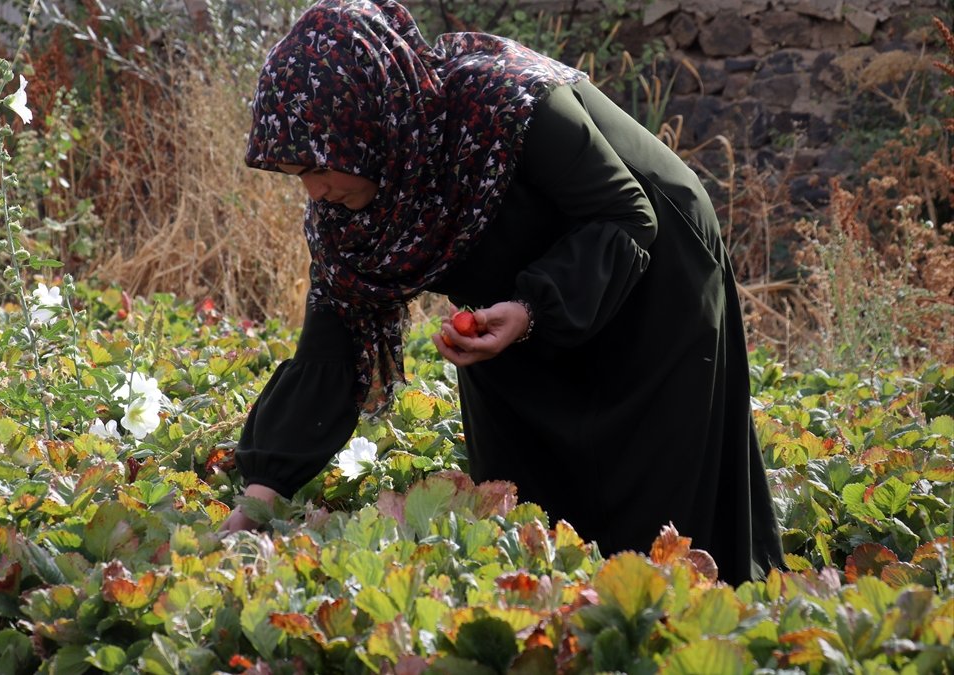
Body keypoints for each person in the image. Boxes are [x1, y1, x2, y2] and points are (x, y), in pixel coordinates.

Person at [219, 0, 784, 585]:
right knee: (526, 511)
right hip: (513, 307)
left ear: (368, 123)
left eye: (320, 163)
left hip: (651, 269)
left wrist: (534, 307)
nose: (314, 189)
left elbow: (626, 216)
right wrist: (260, 498)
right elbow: (330, 347)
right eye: (296, 173)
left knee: (657, 512)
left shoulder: (505, 98)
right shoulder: (348, 209)